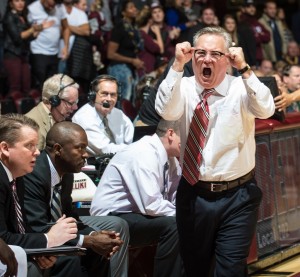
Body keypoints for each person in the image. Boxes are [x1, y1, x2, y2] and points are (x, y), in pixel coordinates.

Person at [155, 26, 275, 276]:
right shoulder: (183, 87)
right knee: (196, 269)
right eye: (201, 52)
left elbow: (266, 110)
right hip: (194, 196)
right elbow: (165, 111)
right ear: (192, 56)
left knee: (229, 270)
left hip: (238, 197)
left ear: (228, 58)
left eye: (215, 54)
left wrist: (245, 68)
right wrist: (177, 66)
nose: (206, 59)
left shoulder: (240, 88)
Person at [23, 121, 129, 277]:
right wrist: (89, 241)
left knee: (102, 243)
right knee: (75, 256)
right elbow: (39, 227)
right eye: (80, 148)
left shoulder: (66, 172)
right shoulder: (34, 174)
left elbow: (71, 217)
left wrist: (94, 236)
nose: (85, 154)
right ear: (58, 149)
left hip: (55, 228)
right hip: (34, 235)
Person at [91, 119, 184, 277]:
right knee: (175, 224)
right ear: (171, 134)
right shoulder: (143, 153)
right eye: (186, 136)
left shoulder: (171, 158)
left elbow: (175, 197)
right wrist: (185, 216)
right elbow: (152, 205)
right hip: (111, 217)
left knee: (193, 223)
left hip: (136, 214)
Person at [0, 113, 79, 276]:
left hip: (16, 250)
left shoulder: (18, 177)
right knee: (33, 270)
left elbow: (19, 229)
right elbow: (3, 239)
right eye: (29, 146)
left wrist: (40, 250)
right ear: (5, 148)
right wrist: (49, 239)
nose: (37, 152)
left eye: (37, 146)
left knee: (67, 260)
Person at [72, 75, 134, 157]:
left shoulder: (119, 114)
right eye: (104, 94)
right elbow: (105, 150)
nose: (109, 99)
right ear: (93, 95)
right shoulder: (84, 117)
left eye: (113, 95)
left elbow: (131, 138)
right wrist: (133, 149)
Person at [26, 73, 79, 150]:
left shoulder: (60, 118)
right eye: (70, 103)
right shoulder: (32, 125)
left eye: (76, 102)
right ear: (54, 101)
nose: (75, 107)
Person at [27, 0, 70, 90]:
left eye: (53, 6)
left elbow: (66, 27)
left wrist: (66, 46)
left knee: (52, 87)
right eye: (49, 5)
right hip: (38, 51)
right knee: (40, 86)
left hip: (54, 52)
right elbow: (25, 31)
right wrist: (40, 27)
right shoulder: (32, 8)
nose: (51, 8)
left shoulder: (59, 7)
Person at [106, 0, 143, 101]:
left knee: (131, 101)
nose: (134, 9)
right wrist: (132, 60)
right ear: (123, 12)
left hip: (130, 69)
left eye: (134, 7)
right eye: (130, 7)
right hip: (119, 69)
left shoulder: (133, 28)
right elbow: (110, 54)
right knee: (122, 101)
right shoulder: (119, 27)